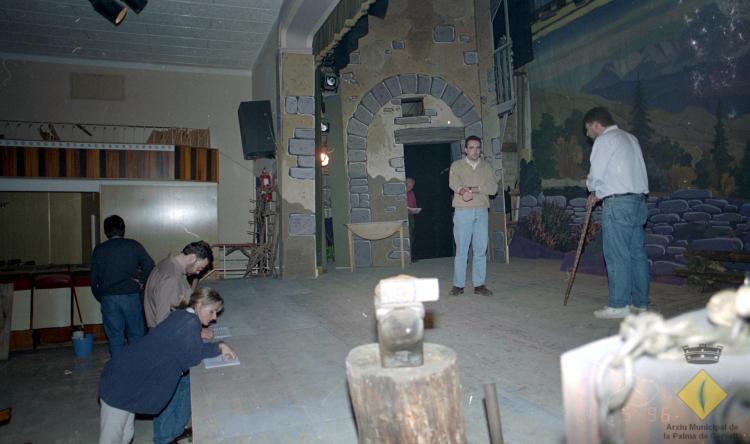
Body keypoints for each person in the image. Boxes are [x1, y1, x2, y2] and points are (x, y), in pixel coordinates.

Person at [98, 287, 236, 444]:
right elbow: (192, 357)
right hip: (120, 384)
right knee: (112, 438)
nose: (215, 317)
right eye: (212, 311)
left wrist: (219, 346)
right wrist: (219, 346)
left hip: (126, 377)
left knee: (126, 435)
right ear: (198, 306)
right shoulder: (190, 323)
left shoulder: (182, 315)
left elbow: (190, 349)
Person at [144, 240, 214, 444]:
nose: (198, 272)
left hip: (169, 343)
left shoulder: (168, 265)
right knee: (171, 392)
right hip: (168, 347)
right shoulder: (171, 278)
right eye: (200, 267)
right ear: (193, 258)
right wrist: (198, 334)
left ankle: (174, 430)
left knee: (182, 387)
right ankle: (165, 437)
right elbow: (166, 322)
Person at [584, 106, 650, 319]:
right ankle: (640, 304)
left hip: (618, 204)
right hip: (638, 201)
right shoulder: (631, 138)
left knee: (617, 254)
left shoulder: (604, 140)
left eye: (588, 129)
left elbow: (597, 174)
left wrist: (594, 191)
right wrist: (601, 193)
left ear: (596, 125)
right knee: (637, 255)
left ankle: (619, 305)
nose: (588, 134)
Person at [90, 215, 154, 356]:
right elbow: (149, 264)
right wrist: (141, 282)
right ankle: (135, 368)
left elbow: (93, 279)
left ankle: (118, 369)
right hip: (131, 295)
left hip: (108, 298)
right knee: (136, 335)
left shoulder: (99, 250)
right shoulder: (133, 245)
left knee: (115, 337)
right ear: (123, 229)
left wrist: (101, 296)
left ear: (106, 231)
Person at [448, 135, 498, 296]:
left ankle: (479, 285)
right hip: (463, 211)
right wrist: (463, 191)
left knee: (480, 249)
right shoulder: (457, 165)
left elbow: (493, 188)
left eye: (477, 147)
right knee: (462, 249)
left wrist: (472, 189)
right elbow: (454, 183)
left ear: (480, 149)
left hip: (482, 211)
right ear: (465, 149)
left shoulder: (487, 167)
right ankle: (458, 285)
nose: (474, 151)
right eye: (471, 147)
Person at [406, 177, 419, 262]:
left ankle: (411, 255)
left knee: (412, 235)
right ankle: (407, 256)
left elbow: (414, 204)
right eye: (411, 185)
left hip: (411, 216)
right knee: (407, 236)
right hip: (405, 216)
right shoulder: (402, 192)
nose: (412, 187)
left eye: (413, 185)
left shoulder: (412, 193)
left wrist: (416, 209)